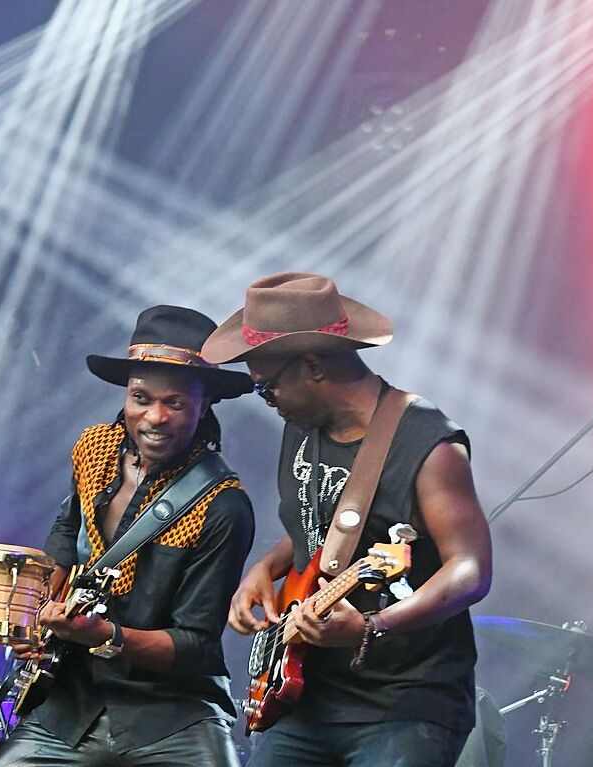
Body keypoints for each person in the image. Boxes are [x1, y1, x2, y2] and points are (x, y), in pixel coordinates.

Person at [201, 273, 492, 767]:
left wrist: (371, 626)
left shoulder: (428, 444)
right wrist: (264, 570)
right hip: (305, 694)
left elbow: (471, 570)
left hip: (404, 704)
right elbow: (316, 528)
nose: (268, 403)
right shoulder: (306, 425)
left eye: (267, 390)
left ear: (312, 366)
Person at [0, 305, 255, 767]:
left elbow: (195, 646)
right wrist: (36, 613)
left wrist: (106, 634)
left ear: (204, 404)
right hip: (71, 705)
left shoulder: (223, 506)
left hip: (173, 715)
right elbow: (66, 532)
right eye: (141, 398)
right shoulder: (94, 450)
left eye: (174, 403)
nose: (154, 416)